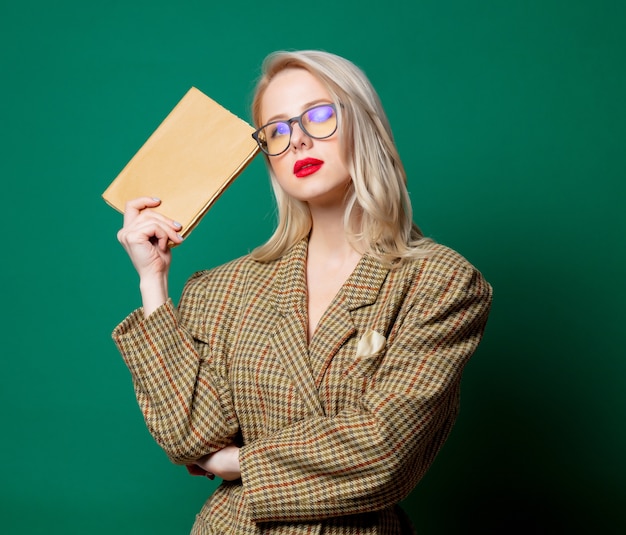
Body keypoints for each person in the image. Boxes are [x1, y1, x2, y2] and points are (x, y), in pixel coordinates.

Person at [112, 50, 492, 534]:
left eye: (319, 115)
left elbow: (384, 450)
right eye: (277, 130)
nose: (299, 140)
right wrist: (153, 281)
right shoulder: (224, 286)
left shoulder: (440, 283)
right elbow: (191, 436)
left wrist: (237, 463)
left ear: (365, 124)